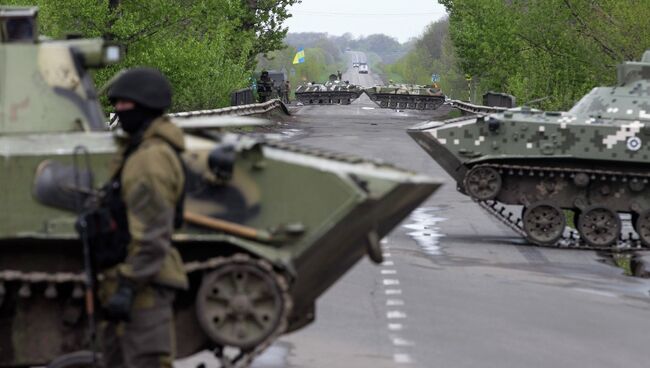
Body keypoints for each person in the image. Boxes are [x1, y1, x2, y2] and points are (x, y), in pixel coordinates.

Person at [100, 67, 189, 368]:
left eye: (124, 104)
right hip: (135, 281)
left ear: (145, 105)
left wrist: (127, 286)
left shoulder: (150, 158)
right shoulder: (137, 149)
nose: (118, 110)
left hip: (144, 287)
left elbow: (152, 232)